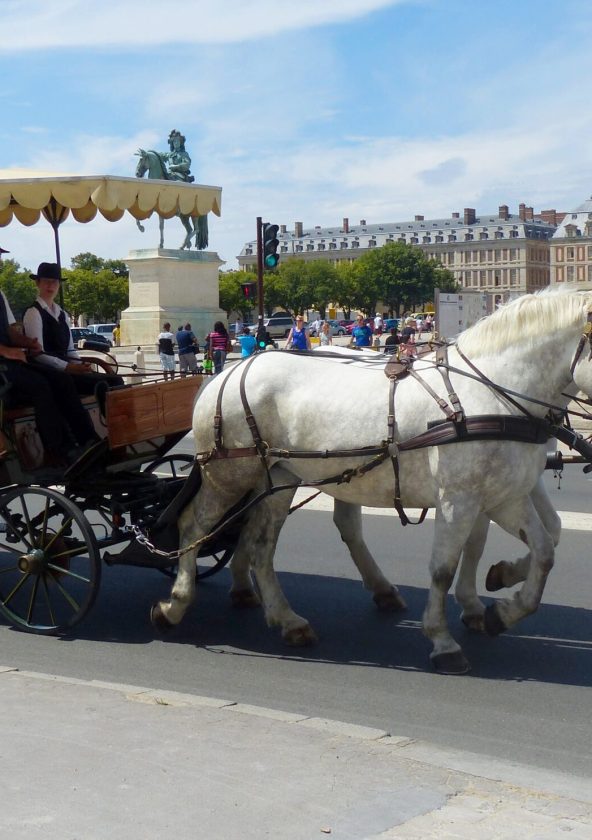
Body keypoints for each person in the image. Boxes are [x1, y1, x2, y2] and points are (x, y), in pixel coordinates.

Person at [0, 287, 98, 469]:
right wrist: (6, 351)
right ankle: (56, 450)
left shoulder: (0, 294)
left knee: (61, 380)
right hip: (3, 366)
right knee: (40, 386)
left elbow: (9, 331)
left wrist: (28, 343)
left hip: (10, 362)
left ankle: (87, 441)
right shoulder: (33, 311)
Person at [23, 261, 124, 406]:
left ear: (59, 285)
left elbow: (71, 351)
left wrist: (81, 365)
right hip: (48, 373)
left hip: (66, 370)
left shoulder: (63, 314)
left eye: (54, 282)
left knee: (115, 380)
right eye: (46, 281)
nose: (50, 286)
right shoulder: (33, 313)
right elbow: (39, 354)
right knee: (101, 384)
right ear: (38, 283)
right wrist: (68, 367)